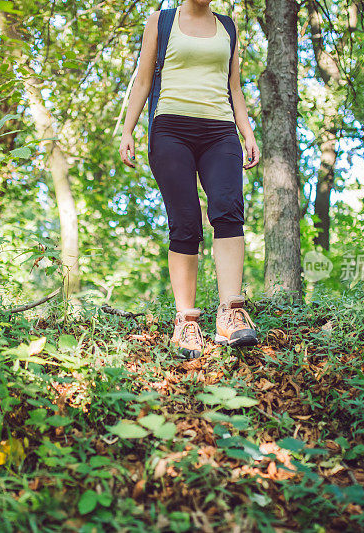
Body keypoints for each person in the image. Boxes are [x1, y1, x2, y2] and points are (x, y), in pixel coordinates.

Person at [118, 0, 260, 359]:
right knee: (185, 221)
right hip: (170, 129)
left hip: (220, 130)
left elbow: (235, 88)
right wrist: (128, 130)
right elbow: (144, 80)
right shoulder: (161, 21)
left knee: (228, 209)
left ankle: (230, 311)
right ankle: (187, 321)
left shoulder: (228, 26)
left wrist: (248, 134)